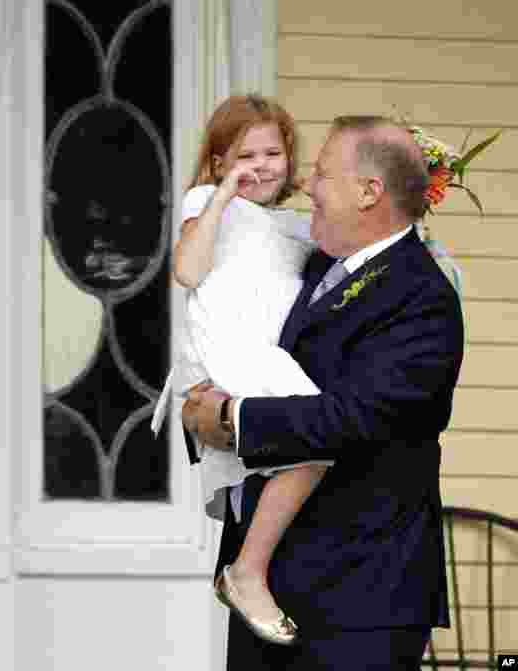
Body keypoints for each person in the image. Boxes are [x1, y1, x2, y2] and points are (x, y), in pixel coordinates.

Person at [183, 116, 462, 670]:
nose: (308, 185)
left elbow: (356, 417)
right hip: (273, 585)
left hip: (362, 594)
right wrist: (204, 409)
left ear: (369, 191)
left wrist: (236, 419)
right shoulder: (311, 265)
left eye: (324, 173)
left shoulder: (422, 296)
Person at [152, 95, 331, 646]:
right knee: (317, 434)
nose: (259, 165)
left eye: (272, 152)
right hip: (225, 350)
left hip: (263, 358)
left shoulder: (294, 225)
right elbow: (185, 271)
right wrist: (222, 193)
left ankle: (250, 566)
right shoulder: (209, 201)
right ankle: (247, 570)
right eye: (244, 155)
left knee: (307, 446)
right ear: (217, 163)